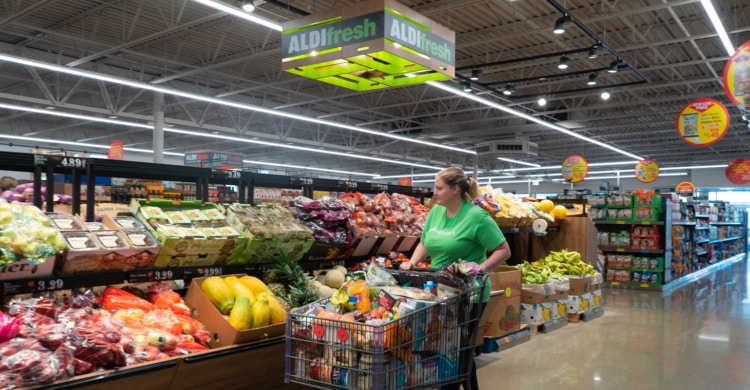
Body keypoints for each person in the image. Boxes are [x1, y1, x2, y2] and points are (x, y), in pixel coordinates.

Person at [400, 166, 511, 390]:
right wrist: (411, 262)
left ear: (455, 189)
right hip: (438, 291)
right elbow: (424, 242)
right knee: (455, 349)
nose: (435, 192)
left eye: (439, 188)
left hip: (468, 294)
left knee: (454, 348)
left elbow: (503, 250)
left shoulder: (477, 217)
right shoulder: (435, 212)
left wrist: (480, 269)